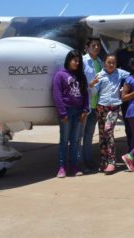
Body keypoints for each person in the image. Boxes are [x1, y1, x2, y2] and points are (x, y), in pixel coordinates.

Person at [52, 50, 89, 178]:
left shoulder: (81, 76)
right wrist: (62, 113)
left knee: (75, 140)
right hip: (66, 112)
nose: (77, 63)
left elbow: (85, 94)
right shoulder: (60, 75)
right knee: (64, 140)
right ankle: (62, 167)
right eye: (74, 60)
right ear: (68, 60)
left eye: (78, 61)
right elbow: (57, 95)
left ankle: (74, 166)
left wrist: (85, 110)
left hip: (79, 112)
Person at [94, 53, 129, 174]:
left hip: (114, 106)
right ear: (104, 63)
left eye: (113, 62)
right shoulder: (100, 75)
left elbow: (131, 77)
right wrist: (92, 85)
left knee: (108, 131)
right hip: (101, 106)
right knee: (102, 135)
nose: (111, 65)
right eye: (109, 62)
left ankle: (112, 162)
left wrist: (124, 87)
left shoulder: (120, 73)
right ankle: (103, 161)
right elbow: (94, 91)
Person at [79, 37, 103, 173]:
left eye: (98, 45)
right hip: (85, 104)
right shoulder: (83, 61)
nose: (96, 48)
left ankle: (88, 160)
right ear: (87, 48)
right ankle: (79, 162)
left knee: (89, 135)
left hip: (96, 105)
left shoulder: (99, 62)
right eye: (93, 45)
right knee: (79, 136)